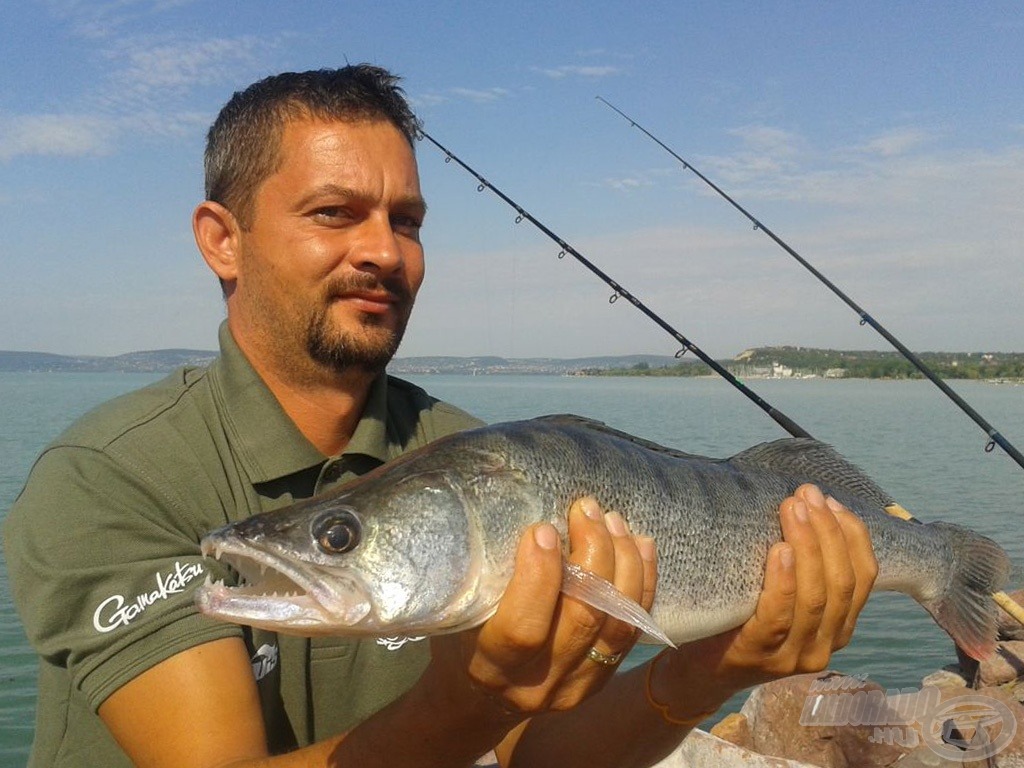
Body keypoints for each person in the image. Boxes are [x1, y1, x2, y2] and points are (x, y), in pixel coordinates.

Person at [3, 65, 878, 768]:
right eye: (334, 213)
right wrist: (468, 699)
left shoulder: (460, 451)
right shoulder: (108, 477)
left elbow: (533, 758)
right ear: (222, 239)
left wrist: (711, 666)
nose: (384, 251)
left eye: (407, 221)